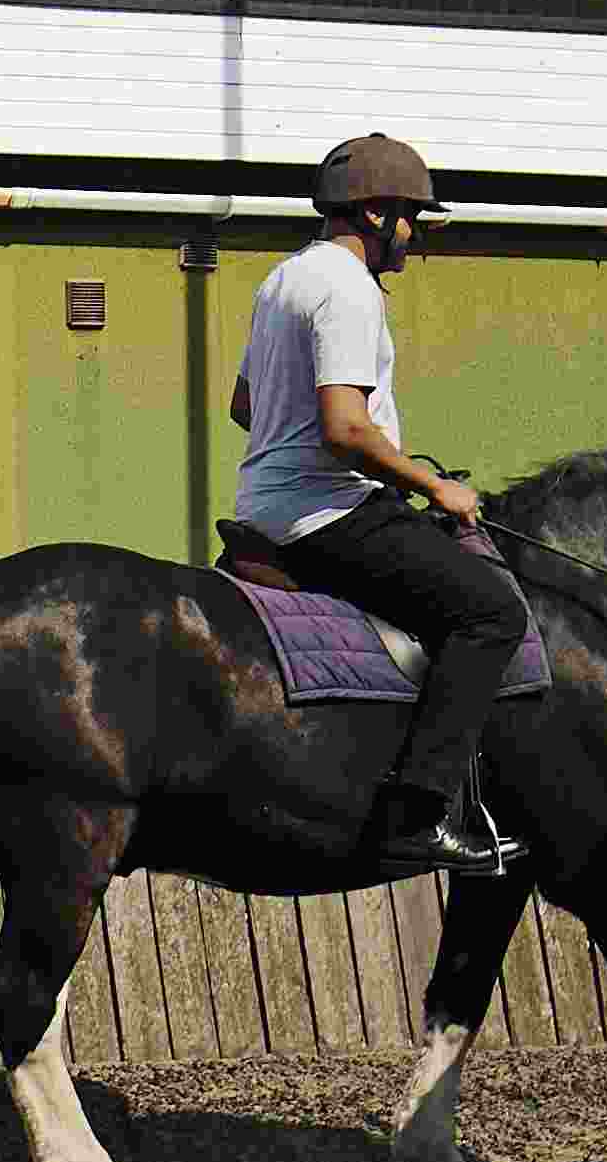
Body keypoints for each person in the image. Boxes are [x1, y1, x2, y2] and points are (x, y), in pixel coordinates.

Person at [224, 132, 528, 876]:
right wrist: (432, 485)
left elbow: (244, 406)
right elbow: (345, 428)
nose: (414, 234)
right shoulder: (350, 288)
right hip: (326, 512)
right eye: (410, 217)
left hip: (264, 504)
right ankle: (418, 815)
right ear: (373, 214)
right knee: (491, 613)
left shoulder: (283, 279)